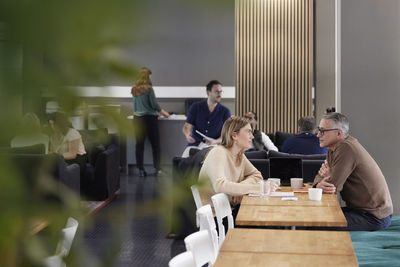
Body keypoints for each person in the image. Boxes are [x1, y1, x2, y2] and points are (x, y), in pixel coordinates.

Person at [313, 112, 393, 231]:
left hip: (373, 217)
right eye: (319, 130)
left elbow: (331, 188)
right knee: (312, 218)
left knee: (313, 224)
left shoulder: (346, 148)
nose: (318, 135)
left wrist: (326, 179)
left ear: (339, 133)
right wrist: (319, 184)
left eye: (323, 131)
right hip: (359, 212)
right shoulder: (332, 149)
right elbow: (320, 177)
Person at [198, 116, 278, 216]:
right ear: (234, 135)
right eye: (248, 131)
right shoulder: (218, 152)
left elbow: (257, 175)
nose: (252, 137)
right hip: (216, 218)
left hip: (229, 210)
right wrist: (259, 188)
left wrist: (240, 189)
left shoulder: (239, 155)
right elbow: (220, 185)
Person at [131, 67, 170, 177]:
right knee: (155, 145)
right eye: (150, 76)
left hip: (137, 119)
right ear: (147, 76)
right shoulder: (149, 89)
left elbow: (140, 106)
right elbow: (153, 104)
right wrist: (164, 113)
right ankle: (158, 169)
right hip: (149, 119)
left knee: (139, 145)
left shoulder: (134, 89)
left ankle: (140, 169)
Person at [181, 80, 231, 157]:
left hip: (214, 146)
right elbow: (186, 126)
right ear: (208, 93)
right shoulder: (196, 107)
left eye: (221, 92)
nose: (220, 95)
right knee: (184, 160)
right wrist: (187, 134)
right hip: (195, 144)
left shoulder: (225, 111)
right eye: (217, 92)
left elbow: (226, 134)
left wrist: (215, 141)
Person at [49, 112, 87, 176]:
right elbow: (52, 151)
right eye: (50, 124)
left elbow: (72, 154)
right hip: (61, 160)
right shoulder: (53, 136)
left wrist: (56, 157)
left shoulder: (72, 133)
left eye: (53, 124)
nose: (51, 127)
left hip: (76, 161)